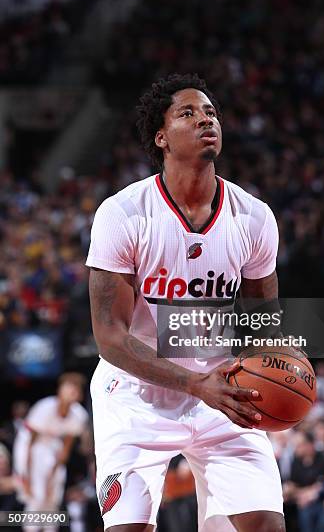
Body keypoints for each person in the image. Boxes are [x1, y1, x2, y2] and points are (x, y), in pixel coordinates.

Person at [87, 73, 285, 531]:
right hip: (137, 396)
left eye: (211, 112)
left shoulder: (253, 217)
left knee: (265, 526)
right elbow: (110, 337)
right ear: (161, 137)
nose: (205, 120)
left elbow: (261, 326)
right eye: (188, 113)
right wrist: (194, 384)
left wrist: (278, 375)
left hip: (223, 390)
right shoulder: (123, 214)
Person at [13, 373, 89, 532]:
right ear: (60, 389)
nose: (71, 390)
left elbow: (65, 451)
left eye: (75, 387)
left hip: (53, 447)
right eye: (68, 386)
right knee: (37, 496)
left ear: (80, 393)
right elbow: (29, 445)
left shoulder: (79, 415)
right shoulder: (44, 407)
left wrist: (52, 477)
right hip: (29, 445)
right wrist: (26, 476)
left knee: (53, 497)